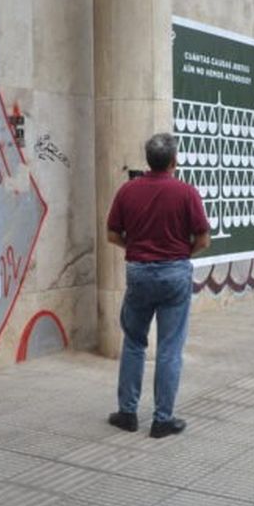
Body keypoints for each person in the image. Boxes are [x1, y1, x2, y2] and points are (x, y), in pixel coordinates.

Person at [106, 133, 211, 439]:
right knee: (169, 348)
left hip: (138, 272)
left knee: (134, 342)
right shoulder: (186, 193)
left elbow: (112, 234)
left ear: (148, 159)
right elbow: (203, 239)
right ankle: (162, 419)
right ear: (174, 161)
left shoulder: (128, 191)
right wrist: (179, 256)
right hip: (174, 274)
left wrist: (136, 250)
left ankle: (127, 413)